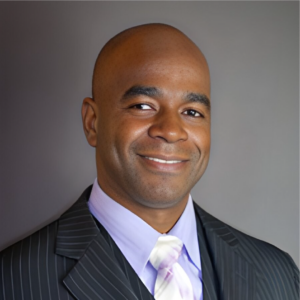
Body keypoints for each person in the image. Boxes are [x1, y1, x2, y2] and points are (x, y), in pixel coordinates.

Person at [0, 23, 299, 300]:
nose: (170, 131)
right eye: (143, 105)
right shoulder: (11, 282)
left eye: (192, 112)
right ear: (93, 123)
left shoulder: (278, 274)